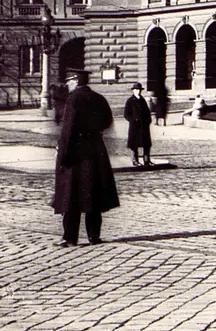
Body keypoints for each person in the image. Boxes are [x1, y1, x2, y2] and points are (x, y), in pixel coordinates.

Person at [51, 70, 120, 246]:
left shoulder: (73, 99)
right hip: (96, 151)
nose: (67, 84)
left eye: (69, 81)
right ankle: (94, 236)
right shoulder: (98, 98)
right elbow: (107, 121)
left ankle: (69, 237)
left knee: (71, 196)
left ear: (76, 81)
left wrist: (63, 154)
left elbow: (68, 129)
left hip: (76, 154)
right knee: (93, 196)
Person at [124, 82, 153, 168]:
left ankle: (147, 160)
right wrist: (133, 120)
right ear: (133, 91)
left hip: (144, 126)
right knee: (134, 144)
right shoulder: (130, 101)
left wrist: (148, 120)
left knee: (146, 144)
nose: (137, 91)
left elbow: (147, 112)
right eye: (136, 90)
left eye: (139, 90)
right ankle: (135, 160)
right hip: (135, 126)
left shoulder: (142, 100)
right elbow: (126, 114)